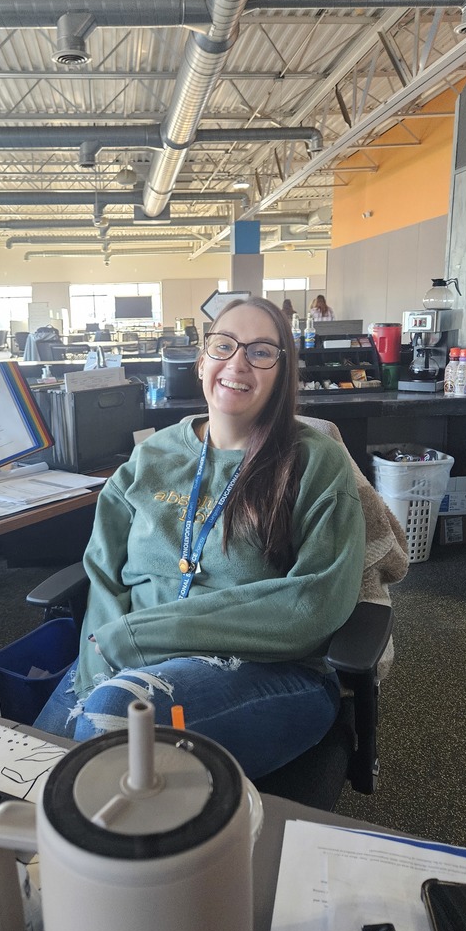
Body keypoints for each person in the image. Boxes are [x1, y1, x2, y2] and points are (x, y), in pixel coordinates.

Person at [34, 297, 365, 780]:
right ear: (202, 359)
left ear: (283, 371)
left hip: (266, 668)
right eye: (224, 345)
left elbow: (316, 602)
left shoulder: (315, 461)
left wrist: (136, 638)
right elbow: (104, 574)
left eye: (261, 352)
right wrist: (98, 658)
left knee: (111, 724)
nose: (237, 363)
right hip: (124, 660)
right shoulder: (151, 457)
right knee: (25, 764)